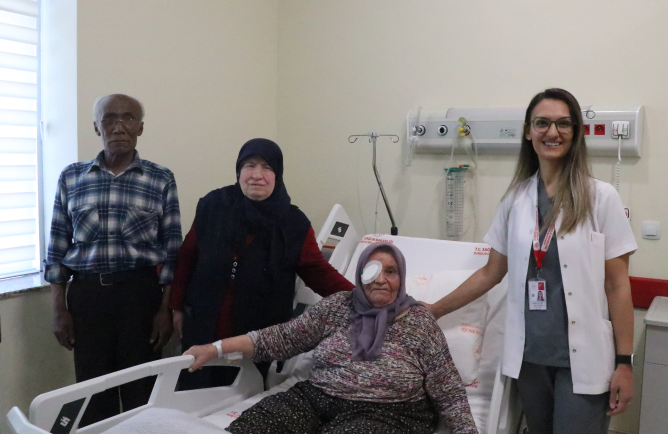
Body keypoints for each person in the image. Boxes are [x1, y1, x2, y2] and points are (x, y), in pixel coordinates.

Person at [429, 88, 638, 434]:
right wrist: (434, 309)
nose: (552, 132)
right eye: (542, 123)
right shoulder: (515, 199)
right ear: (528, 131)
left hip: (583, 360)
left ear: (575, 132)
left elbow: (617, 286)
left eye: (563, 124)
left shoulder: (601, 198)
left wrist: (624, 364)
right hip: (529, 360)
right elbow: (490, 272)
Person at [184, 242, 478, 434]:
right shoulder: (337, 306)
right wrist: (215, 348)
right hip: (317, 398)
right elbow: (279, 339)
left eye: (391, 271)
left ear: (401, 279)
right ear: (360, 275)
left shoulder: (419, 322)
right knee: (260, 422)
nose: (380, 279)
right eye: (372, 271)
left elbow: (448, 389)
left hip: (387, 414)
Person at [169, 138, 354, 387]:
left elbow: (318, 272)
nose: (257, 175)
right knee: (194, 390)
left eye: (267, 167)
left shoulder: (294, 224)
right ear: (239, 171)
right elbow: (188, 255)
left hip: (256, 338)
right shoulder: (213, 205)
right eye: (249, 166)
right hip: (203, 325)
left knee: (242, 396)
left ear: (277, 174)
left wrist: (364, 300)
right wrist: (177, 307)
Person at [45, 94, 182, 426]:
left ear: (140, 127)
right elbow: (57, 248)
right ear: (97, 127)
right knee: (93, 393)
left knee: (142, 393)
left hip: (140, 297)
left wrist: (165, 309)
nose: (119, 127)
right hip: (87, 298)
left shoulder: (160, 179)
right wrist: (60, 309)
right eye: (109, 119)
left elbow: (172, 251)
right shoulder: (71, 178)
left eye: (128, 118)